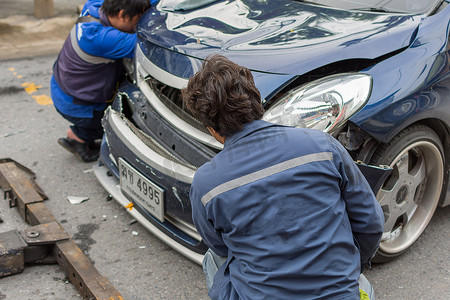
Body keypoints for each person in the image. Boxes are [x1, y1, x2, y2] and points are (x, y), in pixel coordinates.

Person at [182, 55, 385, 300]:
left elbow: (219, 246)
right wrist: (352, 266)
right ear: (257, 102)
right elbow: (371, 222)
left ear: (212, 129)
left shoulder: (206, 183)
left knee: (213, 259)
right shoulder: (322, 145)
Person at [51, 0, 153, 162]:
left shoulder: (95, 5)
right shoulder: (101, 39)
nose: (140, 22)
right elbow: (151, 45)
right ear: (122, 15)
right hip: (78, 106)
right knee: (132, 129)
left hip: (63, 88)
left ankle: (83, 131)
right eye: (139, 17)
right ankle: (80, 137)